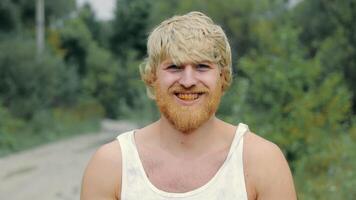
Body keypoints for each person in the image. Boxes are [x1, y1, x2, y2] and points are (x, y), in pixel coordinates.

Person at [80, 11, 297, 200]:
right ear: (152, 76)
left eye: (202, 66)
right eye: (174, 67)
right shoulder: (112, 165)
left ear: (222, 77)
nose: (188, 81)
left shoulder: (262, 162)